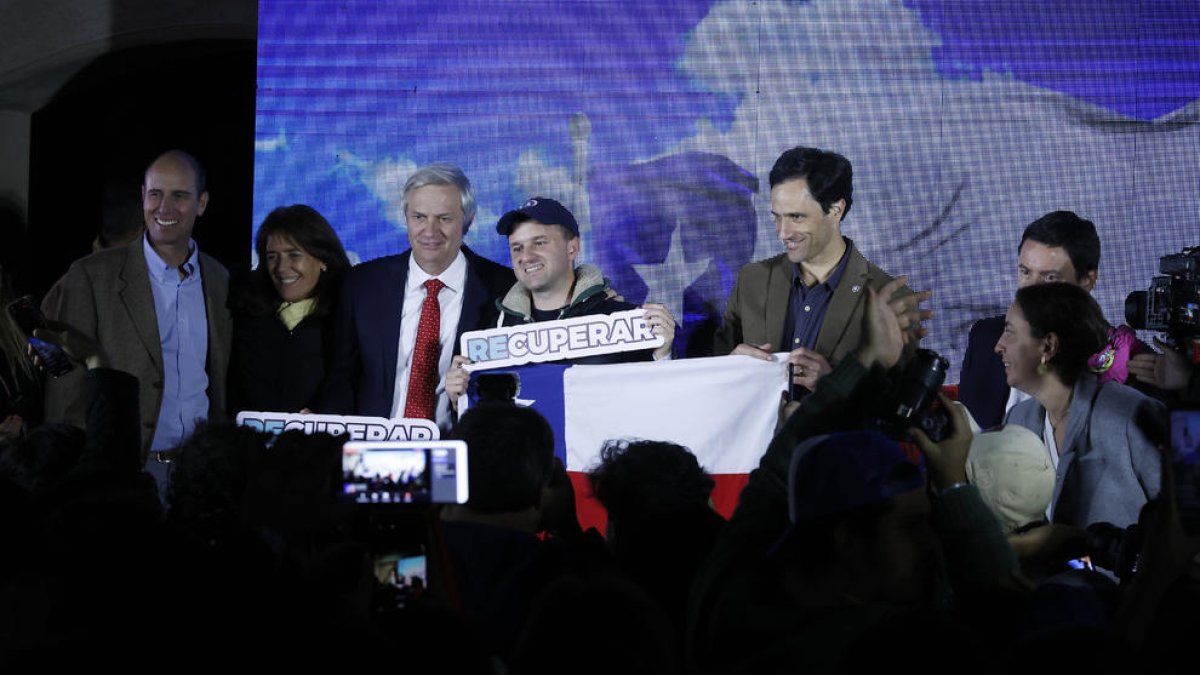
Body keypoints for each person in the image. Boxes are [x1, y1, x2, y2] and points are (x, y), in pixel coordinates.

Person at [689, 274, 1017, 674]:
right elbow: (1005, 615)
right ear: (847, 539)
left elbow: (776, 475)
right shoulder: (911, 650)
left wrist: (866, 361)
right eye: (912, 526)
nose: (933, 543)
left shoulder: (730, 606)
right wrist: (953, 488)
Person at [43, 149, 232, 492]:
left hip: (199, 474)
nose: (164, 208)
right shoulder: (92, 276)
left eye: (180, 196)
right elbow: (66, 391)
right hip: (120, 473)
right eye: (156, 194)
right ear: (143, 196)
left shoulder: (219, 280)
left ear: (202, 203)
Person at [712, 146, 925, 397]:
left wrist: (835, 383)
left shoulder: (892, 300)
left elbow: (895, 407)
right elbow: (712, 372)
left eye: (796, 217)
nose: (783, 232)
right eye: (777, 218)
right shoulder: (752, 279)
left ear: (836, 210)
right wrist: (730, 364)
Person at [318, 163, 514, 431]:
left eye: (444, 218)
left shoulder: (505, 289)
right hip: (372, 451)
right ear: (406, 217)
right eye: (419, 217)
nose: (430, 231)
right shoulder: (361, 284)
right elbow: (340, 378)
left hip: (463, 450)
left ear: (468, 219)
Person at [444, 197, 675, 404]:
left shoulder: (625, 321)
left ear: (572, 248)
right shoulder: (492, 332)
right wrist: (461, 398)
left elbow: (657, 405)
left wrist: (662, 355)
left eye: (540, 242)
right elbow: (489, 422)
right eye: (517, 248)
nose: (526, 256)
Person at [998, 282, 1163, 530]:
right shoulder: (1017, 419)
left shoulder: (1129, 415)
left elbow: (1186, 526)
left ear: (1048, 346)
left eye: (1010, 332)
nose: (998, 346)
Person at [959, 211, 1145, 429]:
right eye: (1025, 272)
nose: (1031, 289)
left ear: (1086, 281)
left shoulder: (1124, 358)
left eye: (1049, 277)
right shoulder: (985, 337)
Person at [228, 204, 350, 413]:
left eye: (294, 255)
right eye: (272, 257)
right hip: (249, 442)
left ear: (322, 259)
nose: (281, 268)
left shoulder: (347, 320)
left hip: (320, 443)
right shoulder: (242, 314)